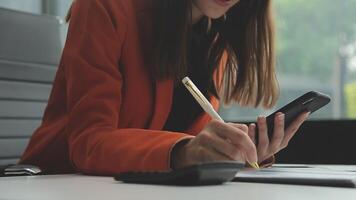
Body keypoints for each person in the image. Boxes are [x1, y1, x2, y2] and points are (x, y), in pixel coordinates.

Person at [20, 0, 309, 175]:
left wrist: (235, 152)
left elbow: (193, 139)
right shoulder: (105, 8)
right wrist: (184, 151)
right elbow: (89, 143)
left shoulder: (212, 40)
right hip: (56, 183)